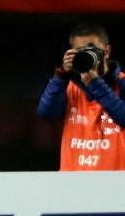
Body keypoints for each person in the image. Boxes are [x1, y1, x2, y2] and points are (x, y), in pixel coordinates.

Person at [37, 22, 125, 171]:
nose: (87, 55)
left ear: (107, 51)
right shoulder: (68, 85)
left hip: (115, 181)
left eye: (92, 49)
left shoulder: (121, 82)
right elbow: (46, 113)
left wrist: (96, 84)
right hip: (73, 180)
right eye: (80, 51)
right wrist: (61, 75)